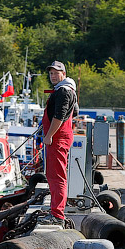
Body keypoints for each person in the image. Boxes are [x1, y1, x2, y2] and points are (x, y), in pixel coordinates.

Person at [39, 61, 77, 226]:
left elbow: (59, 116)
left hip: (57, 139)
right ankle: (56, 210)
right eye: (51, 73)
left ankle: (57, 214)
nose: (53, 76)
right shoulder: (66, 89)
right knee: (54, 175)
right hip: (60, 137)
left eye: (56, 73)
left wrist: (49, 135)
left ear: (63, 73)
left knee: (57, 177)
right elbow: (74, 112)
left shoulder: (63, 91)